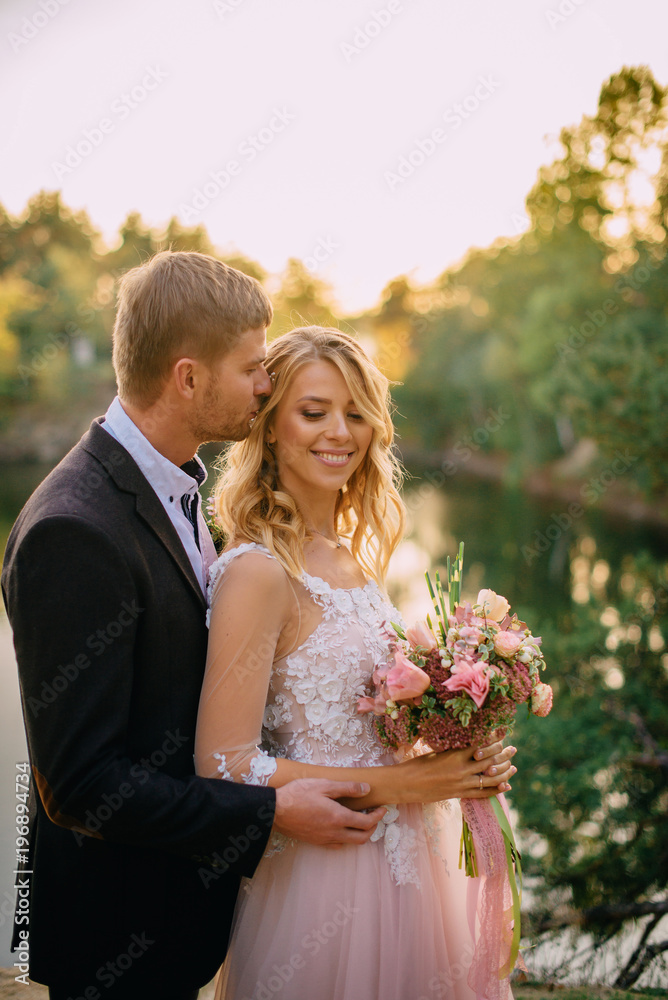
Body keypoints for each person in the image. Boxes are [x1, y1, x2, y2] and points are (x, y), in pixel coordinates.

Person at [1, 252, 389, 1000]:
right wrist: (268, 809)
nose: (266, 384)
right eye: (251, 369)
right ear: (187, 377)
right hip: (114, 935)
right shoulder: (75, 529)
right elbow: (80, 786)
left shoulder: (176, 490)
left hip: (179, 923)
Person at [194, 325, 518, 1000]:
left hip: (410, 865)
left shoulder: (351, 555)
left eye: (356, 412)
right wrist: (407, 786)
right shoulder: (257, 571)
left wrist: (453, 737)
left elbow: (362, 718)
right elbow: (223, 765)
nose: (340, 431)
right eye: (314, 412)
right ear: (271, 425)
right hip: (323, 878)